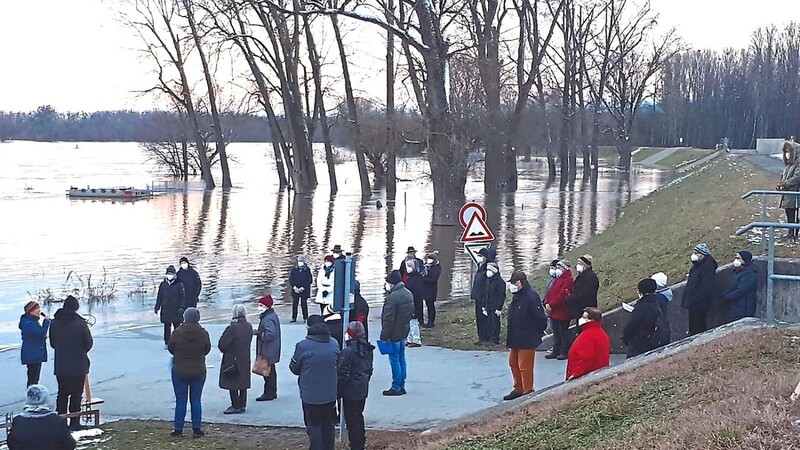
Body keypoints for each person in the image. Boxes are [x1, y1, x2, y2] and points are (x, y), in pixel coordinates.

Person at [290, 315, 340, 450]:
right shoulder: (334, 343)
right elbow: (339, 364)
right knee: (328, 425)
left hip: (310, 396)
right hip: (330, 394)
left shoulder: (302, 346)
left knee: (314, 426)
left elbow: (294, 368)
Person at [49, 295, 92, 431]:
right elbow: (88, 343)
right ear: (76, 308)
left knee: (62, 393)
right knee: (76, 394)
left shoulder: (54, 323)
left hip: (61, 365)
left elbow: (53, 343)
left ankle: (61, 422)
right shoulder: (80, 324)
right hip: (78, 365)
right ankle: (75, 422)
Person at [503, 272, 548, 401]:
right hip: (515, 336)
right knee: (513, 363)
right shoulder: (518, 296)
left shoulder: (531, 296)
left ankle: (528, 390)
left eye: (513, 283)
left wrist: (536, 332)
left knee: (525, 366)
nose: (512, 286)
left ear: (519, 283)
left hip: (527, 337)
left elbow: (540, 318)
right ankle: (518, 388)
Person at [168, 307, 211, 438]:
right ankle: (197, 428)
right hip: (198, 370)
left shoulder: (177, 332)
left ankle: (178, 429)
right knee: (196, 400)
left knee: (180, 401)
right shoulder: (203, 333)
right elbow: (207, 349)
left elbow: (171, 348)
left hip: (179, 370)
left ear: (185, 317)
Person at [338, 321, 374, 450]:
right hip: (363, 387)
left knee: (351, 420)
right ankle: (360, 441)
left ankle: (356, 445)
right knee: (358, 416)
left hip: (350, 390)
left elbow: (342, 372)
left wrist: (339, 390)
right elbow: (369, 369)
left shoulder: (348, 351)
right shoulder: (368, 349)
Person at [7, 384, 76, 450]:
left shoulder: (18, 421)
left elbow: (11, 443)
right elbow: (70, 444)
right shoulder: (56, 420)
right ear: (46, 398)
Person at [380, 270, 414, 396]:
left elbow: (388, 319)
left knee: (394, 360)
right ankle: (402, 385)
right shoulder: (408, 293)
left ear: (392, 283)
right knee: (401, 359)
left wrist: (384, 336)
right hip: (403, 331)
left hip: (393, 334)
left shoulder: (392, 298)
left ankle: (396, 387)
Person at [218, 305, 253, 414]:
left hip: (232, 357)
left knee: (232, 381)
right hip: (245, 357)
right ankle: (242, 404)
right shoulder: (248, 326)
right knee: (243, 381)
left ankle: (235, 405)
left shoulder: (232, 328)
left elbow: (222, 344)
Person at [681, 243, 718, 335]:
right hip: (694, 302)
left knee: (698, 324)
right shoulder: (698, 265)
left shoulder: (707, 267)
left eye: (696, 253)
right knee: (693, 323)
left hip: (699, 303)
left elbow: (707, 286)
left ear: (702, 254)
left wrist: (696, 298)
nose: (694, 255)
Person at [566, 308, 610, 381]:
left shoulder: (587, 336)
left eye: (584, 317)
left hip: (586, 375)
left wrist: (575, 374)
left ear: (591, 320)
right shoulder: (601, 333)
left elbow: (586, 358)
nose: (581, 319)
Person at [622, 279, 662, 358]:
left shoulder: (641, 307)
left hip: (639, 345)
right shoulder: (656, 303)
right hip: (653, 342)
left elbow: (631, 326)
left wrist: (626, 339)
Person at [543, 260, 574, 360]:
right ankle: (556, 350)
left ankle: (564, 351)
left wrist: (551, 304)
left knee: (563, 332)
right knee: (556, 332)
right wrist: (546, 302)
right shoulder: (557, 279)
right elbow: (550, 291)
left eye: (559, 268)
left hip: (562, 311)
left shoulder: (568, 280)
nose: (557, 270)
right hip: (553, 311)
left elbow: (562, 295)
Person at [255, 295, 281, 401]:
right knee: (271, 371)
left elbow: (270, 334)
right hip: (271, 348)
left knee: (267, 372)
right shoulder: (271, 316)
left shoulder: (268, 318)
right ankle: (272, 392)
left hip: (267, 349)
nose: (259, 307)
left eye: (261, 305)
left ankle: (268, 393)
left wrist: (260, 334)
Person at [19, 300, 50, 387]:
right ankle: (32, 396)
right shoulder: (29, 323)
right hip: (33, 354)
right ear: (31, 311)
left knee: (34, 377)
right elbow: (41, 334)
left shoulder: (31, 321)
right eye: (37, 309)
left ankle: (33, 394)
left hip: (33, 353)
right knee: (33, 378)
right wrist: (46, 322)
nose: (39, 311)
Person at [155, 265, 187, 346]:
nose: (169, 275)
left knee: (177, 327)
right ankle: (167, 342)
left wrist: (182, 307)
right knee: (167, 327)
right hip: (166, 309)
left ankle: (177, 342)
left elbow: (183, 297)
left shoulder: (179, 284)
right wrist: (157, 307)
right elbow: (160, 297)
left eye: (171, 274)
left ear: (174, 275)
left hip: (176, 309)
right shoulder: (163, 285)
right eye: (168, 273)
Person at [470, 247, 497, 345]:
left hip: (484, 297)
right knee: (479, 318)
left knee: (485, 318)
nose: (480, 258)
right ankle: (482, 337)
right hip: (478, 297)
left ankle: (487, 337)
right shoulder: (481, 266)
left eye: (482, 256)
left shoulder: (490, 268)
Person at [723, 250, 758, 321]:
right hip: (736, 306)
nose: (736, 260)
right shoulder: (738, 271)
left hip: (744, 308)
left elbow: (742, 290)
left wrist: (728, 296)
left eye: (738, 258)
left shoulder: (750, 273)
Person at [568, 255, 599, 335]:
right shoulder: (582, 276)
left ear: (585, 264)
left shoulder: (591, 277)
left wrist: (572, 297)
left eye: (579, 263)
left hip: (586, 309)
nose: (577, 265)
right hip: (579, 310)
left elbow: (586, 293)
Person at [777, 141, 800, 240]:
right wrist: (780, 183)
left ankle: (793, 234)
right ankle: (791, 232)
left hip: (794, 192)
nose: (786, 153)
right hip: (787, 192)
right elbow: (784, 176)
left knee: (792, 214)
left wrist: (785, 183)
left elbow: (797, 177)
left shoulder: (798, 162)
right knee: (789, 213)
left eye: (788, 151)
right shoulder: (789, 164)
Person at [403, 257, 424, 348]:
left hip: (415, 303)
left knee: (413, 322)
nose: (408, 268)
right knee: (408, 322)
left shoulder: (417, 278)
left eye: (410, 266)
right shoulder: (410, 278)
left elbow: (417, 293)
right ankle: (409, 339)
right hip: (409, 303)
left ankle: (416, 339)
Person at [484, 262, 505, 346]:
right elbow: (486, 293)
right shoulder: (488, 280)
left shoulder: (499, 282)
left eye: (490, 270)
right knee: (489, 322)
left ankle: (495, 339)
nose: (488, 272)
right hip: (488, 305)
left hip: (495, 306)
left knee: (495, 323)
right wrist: (484, 305)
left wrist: (499, 308)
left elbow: (501, 295)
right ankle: (490, 338)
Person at [420, 251, 441, 328]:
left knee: (431, 305)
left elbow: (434, 279)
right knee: (428, 305)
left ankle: (431, 322)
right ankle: (429, 321)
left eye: (430, 258)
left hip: (431, 290)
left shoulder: (436, 268)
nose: (428, 260)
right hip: (426, 289)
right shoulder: (428, 266)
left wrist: (423, 279)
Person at [290, 255, 313, 323]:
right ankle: (294, 317)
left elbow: (309, 280)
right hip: (295, 289)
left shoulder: (307, 269)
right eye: (299, 261)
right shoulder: (294, 269)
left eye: (301, 261)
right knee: (295, 303)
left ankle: (305, 318)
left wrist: (303, 287)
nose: (300, 262)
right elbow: (291, 279)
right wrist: (294, 287)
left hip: (304, 290)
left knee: (304, 303)